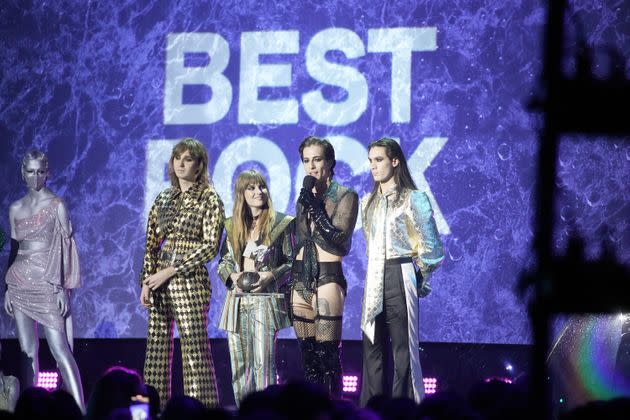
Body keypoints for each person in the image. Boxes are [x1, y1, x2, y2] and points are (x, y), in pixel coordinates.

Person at [140, 138, 224, 408]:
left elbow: (211, 247)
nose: (180, 163)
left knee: (193, 349)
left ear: (199, 166)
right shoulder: (163, 197)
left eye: (188, 159)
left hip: (189, 281)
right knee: (156, 349)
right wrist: (146, 282)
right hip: (157, 281)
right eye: (177, 157)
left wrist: (172, 270)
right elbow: (151, 244)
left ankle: (202, 410)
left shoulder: (210, 198)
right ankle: (153, 409)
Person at [359, 137, 444, 405]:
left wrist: (419, 274)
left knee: (402, 348)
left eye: (379, 159)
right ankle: (372, 407)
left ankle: (402, 407)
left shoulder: (413, 198)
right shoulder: (367, 202)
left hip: (400, 271)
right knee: (372, 344)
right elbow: (368, 241)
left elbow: (431, 245)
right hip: (374, 275)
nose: (373, 166)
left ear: (395, 161)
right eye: (371, 160)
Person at [4, 150, 84, 411]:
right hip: (18, 283)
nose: (35, 177)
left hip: (49, 284)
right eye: (30, 171)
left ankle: (80, 411)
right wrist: (6, 289)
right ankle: (31, 411)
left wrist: (61, 288)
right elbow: (13, 250)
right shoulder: (15, 208)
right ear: (22, 173)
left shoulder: (57, 205)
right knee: (28, 352)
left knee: (60, 350)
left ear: (47, 173)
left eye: (40, 171)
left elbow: (65, 249)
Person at [217, 170, 293, 405]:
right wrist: (232, 275)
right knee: (239, 365)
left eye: (261, 186)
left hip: (265, 301)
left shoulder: (282, 223)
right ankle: (244, 411)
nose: (258, 192)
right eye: (251, 188)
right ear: (241, 194)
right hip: (237, 301)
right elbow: (224, 261)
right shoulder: (231, 226)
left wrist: (270, 275)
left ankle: (266, 413)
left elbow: (292, 262)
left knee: (262, 365)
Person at [292, 136, 359, 397]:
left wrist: (316, 208)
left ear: (330, 162)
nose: (311, 166)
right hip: (300, 279)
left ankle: (333, 409)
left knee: (327, 355)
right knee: (308, 356)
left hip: (328, 277)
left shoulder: (345, 195)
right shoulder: (303, 199)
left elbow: (339, 241)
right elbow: (301, 241)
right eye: (306, 161)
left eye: (317, 159)